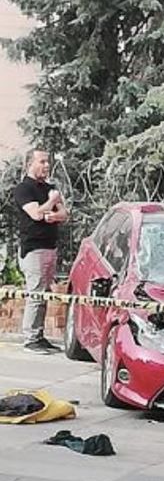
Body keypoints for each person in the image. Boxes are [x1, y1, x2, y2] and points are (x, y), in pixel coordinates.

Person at [12, 149, 69, 354]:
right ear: (30, 163)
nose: (47, 165)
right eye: (42, 161)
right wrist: (52, 203)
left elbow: (64, 214)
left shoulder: (50, 188)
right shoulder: (24, 189)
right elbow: (35, 214)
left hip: (49, 247)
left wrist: (52, 216)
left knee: (44, 293)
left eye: (48, 162)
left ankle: (39, 334)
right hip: (33, 248)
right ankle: (30, 338)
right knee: (35, 292)